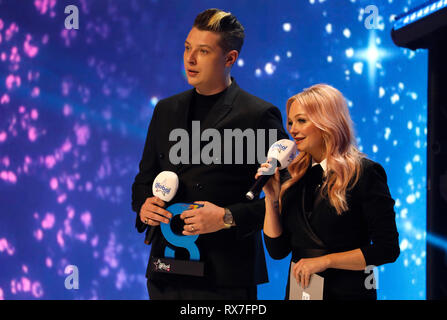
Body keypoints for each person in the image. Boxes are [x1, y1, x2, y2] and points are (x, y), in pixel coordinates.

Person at [131, 8, 288, 299]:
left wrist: (227, 217)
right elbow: (144, 179)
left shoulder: (258, 115)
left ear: (230, 59)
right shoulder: (165, 110)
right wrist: (143, 205)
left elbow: (289, 194)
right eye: (187, 48)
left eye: (203, 51)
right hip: (165, 271)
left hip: (225, 276)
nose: (190, 59)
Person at [256, 84, 400, 300]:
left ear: (327, 121)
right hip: (300, 293)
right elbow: (277, 250)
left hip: (347, 292)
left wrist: (326, 261)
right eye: (291, 122)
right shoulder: (291, 177)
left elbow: (387, 249)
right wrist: (271, 198)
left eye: (302, 121)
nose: (293, 129)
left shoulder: (365, 172)